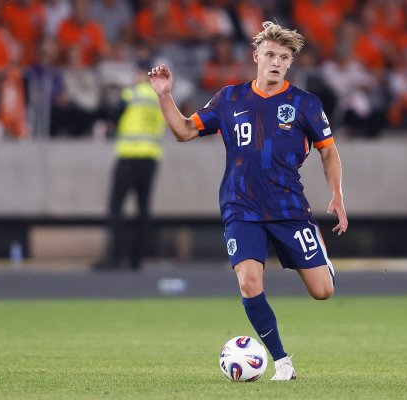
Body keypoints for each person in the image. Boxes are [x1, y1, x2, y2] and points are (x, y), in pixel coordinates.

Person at [148, 21, 348, 380]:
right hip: (241, 208)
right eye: (270, 55)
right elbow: (184, 130)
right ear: (256, 56)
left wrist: (337, 194)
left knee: (322, 291)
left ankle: (320, 257)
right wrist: (165, 95)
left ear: (290, 63)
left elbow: (328, 152)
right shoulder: (229, 99)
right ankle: (282, 362)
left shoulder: (305, 104)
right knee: (249, 283)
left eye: (283, 57)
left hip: (288, 208)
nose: (276, 62)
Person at [98, 63, 166, 271]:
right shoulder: (158, 98)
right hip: (151, 156)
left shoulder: (131, 94)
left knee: (116, 206)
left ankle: (116, 256)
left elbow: (113, 117)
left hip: (129, 155)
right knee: (143, 207)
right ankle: (138, 259)